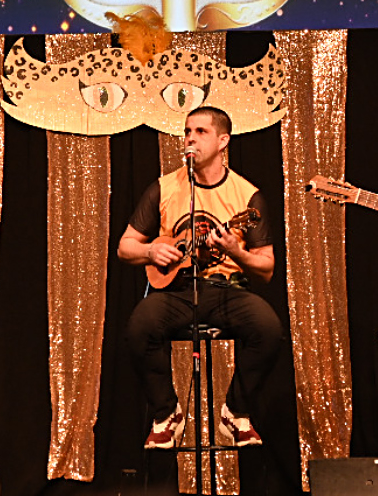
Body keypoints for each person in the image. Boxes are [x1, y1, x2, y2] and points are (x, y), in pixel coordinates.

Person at [117, 106, 282, 449]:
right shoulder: (164, 188)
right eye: (187, 131)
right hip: (176, 290)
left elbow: (266, 267)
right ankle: (167, 413)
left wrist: (236, 252)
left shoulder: (246, 195)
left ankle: (235, 412)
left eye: (201, 132)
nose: (190, 138)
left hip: (226, 289)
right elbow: (125, 246)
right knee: (139, 325)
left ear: (223, 141)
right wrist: (151, 252)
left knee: (267, 328)